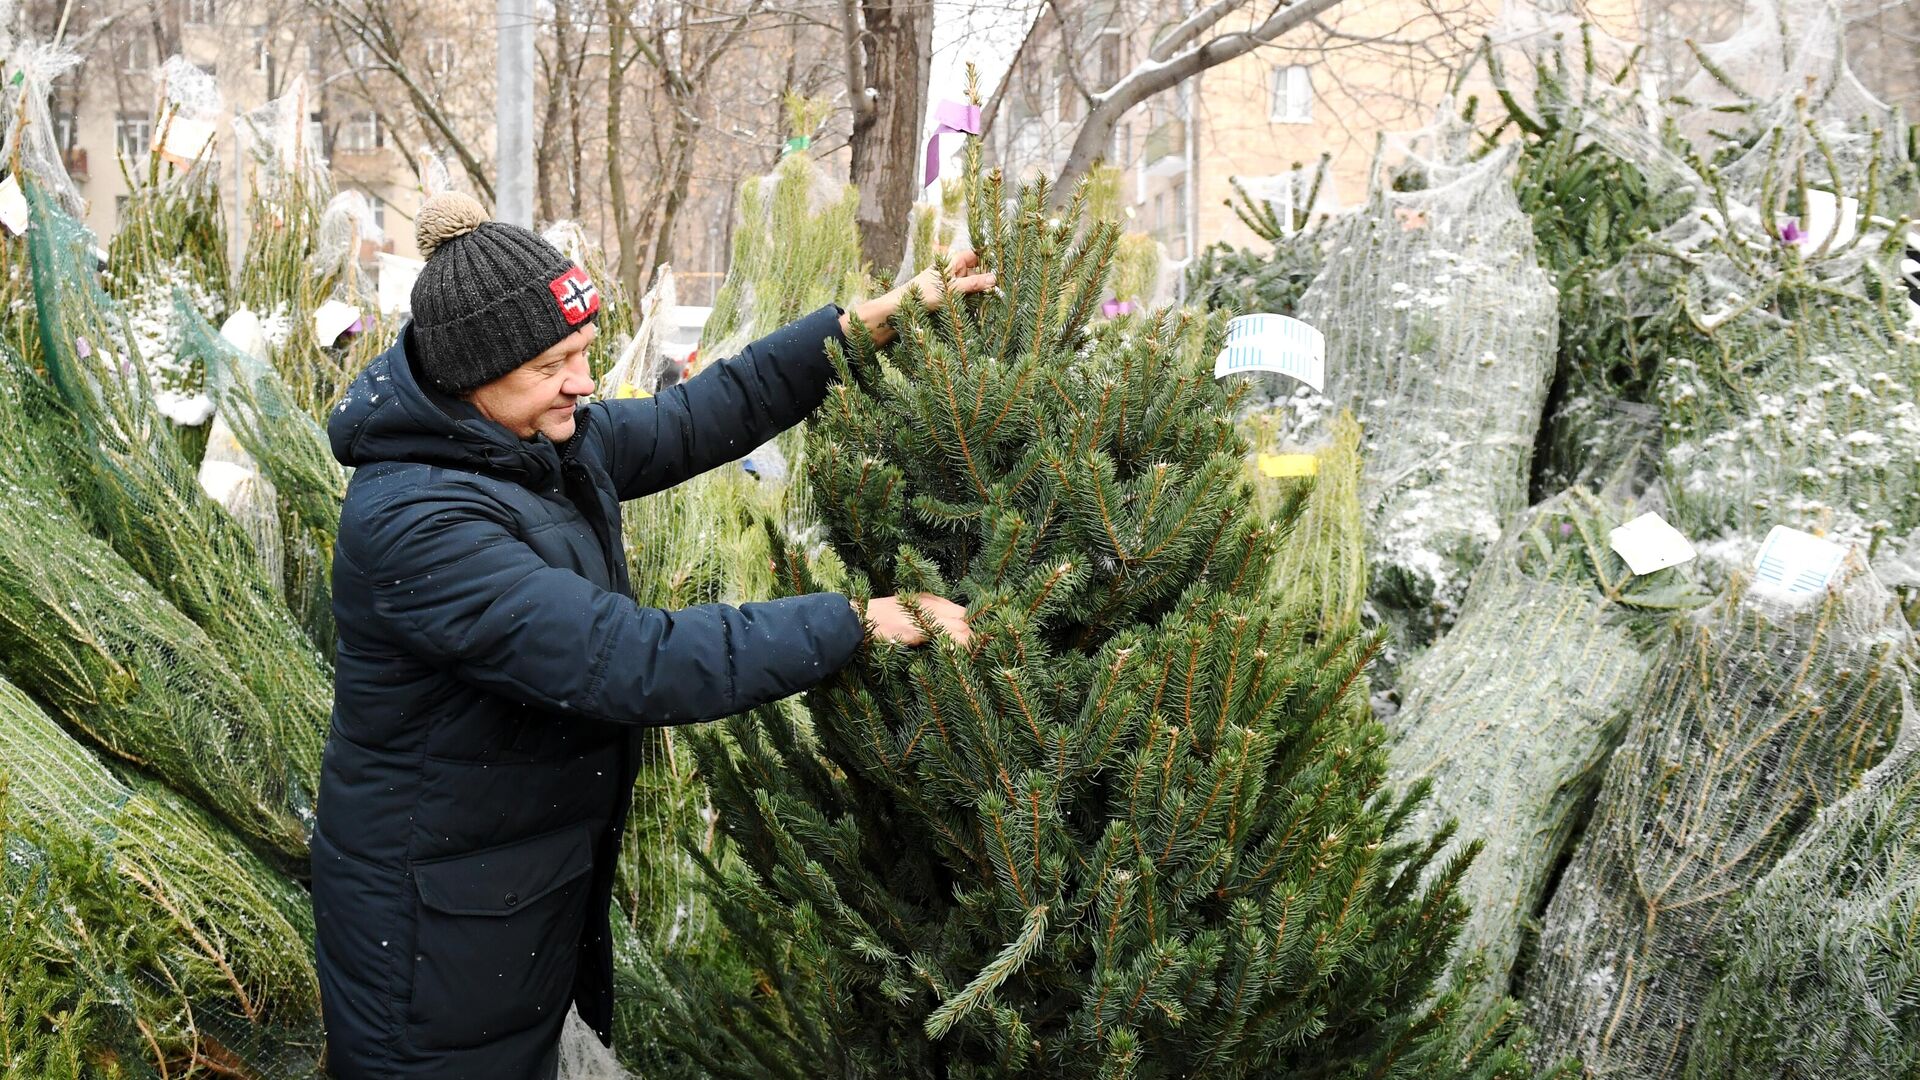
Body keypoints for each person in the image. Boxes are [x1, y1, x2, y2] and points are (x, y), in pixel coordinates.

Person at [313, 190, 994, 1078]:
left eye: (585, 354)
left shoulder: (532, 441)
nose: (584, 384)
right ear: (470, 374)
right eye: (554, 364)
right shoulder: (420, 519)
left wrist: (873, 324)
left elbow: (704, 412)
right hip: (429, 942)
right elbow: (630, 658)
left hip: (503, 900)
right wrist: (854, 621)